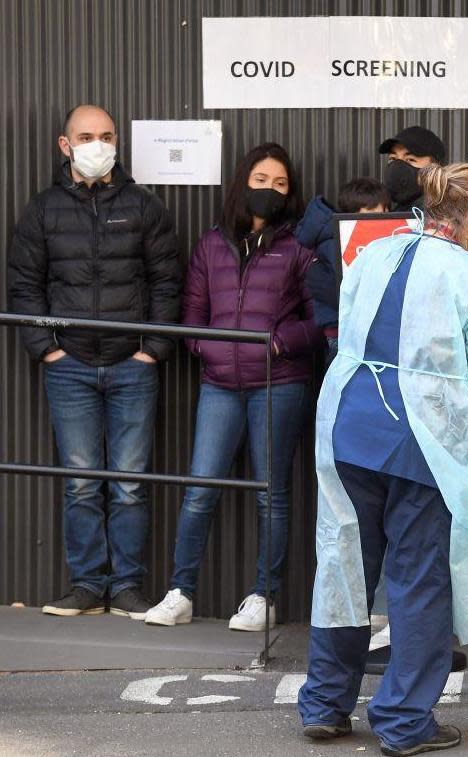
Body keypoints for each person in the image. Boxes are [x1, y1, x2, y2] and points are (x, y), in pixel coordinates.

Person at [297, 163, 468, 755]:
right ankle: (404, 720)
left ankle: (324, 704)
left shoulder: (375, 253)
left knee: (343, 566)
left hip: (346, 425)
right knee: (419, 580)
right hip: (424, 441)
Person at [7, 104, 180, 620]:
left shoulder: (145, 206)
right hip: (71, 366)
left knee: (129, 482)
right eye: (86, 136)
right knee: (81, 482)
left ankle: (126, 587)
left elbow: (167, 281)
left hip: (133, 365)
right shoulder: (42, 209)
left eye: (106, 135)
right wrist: (47, 349)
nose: (97, 144)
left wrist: (154, 349)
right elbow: (24, 285)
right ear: (65, 145)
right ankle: (86, 585)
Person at [144, 143, 322, 631]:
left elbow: (321, 322)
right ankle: (180, 593)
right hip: (219, 385)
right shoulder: (212, 244)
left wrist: (280, 344)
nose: (270, 190)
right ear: (244, 182)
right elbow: (192, 319)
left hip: (278, 385)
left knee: (271, 493)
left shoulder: (300, 247)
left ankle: (264, 597)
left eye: (281, 184)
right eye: (261, 180)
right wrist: (213, 350)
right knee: (201, 488)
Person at [297, 177, 392, 362]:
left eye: (386, 212)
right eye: (373, 214)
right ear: (350, 215)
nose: (382, 220)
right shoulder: (335, 243)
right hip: (342, 335)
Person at [379, 125, 447, 211]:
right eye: (393, 158)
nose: (397, 166)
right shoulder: (390, 208)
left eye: (410, 159)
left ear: (435, 166)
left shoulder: (445, 214)